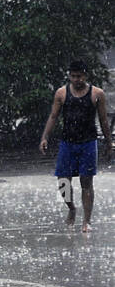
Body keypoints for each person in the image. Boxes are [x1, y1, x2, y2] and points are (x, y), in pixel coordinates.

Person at [39, 60, 112, 233]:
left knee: (86, 182)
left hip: (88, 142)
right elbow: (53, 117)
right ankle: (71, 208)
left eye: (79, 76)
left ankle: (86, 220)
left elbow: (103, 120)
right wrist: (44, 138)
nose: (76, 80)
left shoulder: (97, 94)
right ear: (69, 76)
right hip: (67, 143)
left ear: (85, 76)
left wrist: (109, 143)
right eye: (73, 76)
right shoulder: (62, 93)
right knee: (63, 181)